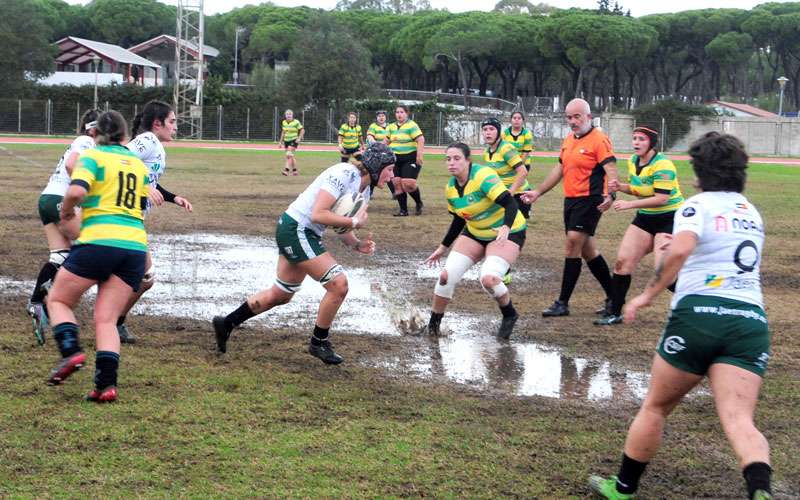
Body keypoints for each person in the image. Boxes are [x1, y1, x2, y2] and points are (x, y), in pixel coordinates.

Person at [589, 132, 773, 500]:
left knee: (656, 407)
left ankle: (623, 488)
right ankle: (760, 491)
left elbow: (680, 252)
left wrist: (645, 296)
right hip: (749, 322)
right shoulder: (751, 212)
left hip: (699, 317)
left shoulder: (695, 206)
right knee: (739, 419)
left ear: (699, 170)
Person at [212, 142, 397, 364]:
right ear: (377, 167)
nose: (392, 175)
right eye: (390, 169)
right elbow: (319, 214)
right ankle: (318, 342)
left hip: (301, 231)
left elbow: (341, 228)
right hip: (296, 229)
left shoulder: (366, 190)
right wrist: (355, 221)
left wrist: (356, 243)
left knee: (280, 294)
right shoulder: (344, 173)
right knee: (339, 284)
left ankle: (227, 323)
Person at [44, 110, 150, 403]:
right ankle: (106, 386)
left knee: (59, 300)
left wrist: (65, 212)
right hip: (134, 247)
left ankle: (71, 352)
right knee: (106, 318)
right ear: (126, 135)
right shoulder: (137, 165)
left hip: (99, 241)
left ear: (95, 135)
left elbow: (77, 192)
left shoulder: (94, 156)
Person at [521, 98, 617, 317]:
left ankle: (562, 302)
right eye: (569, 117)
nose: (573, 121)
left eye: (577, 117)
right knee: (588, 250)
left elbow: (611, 168)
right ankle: (615, 296)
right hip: (571, 200)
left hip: (590, 199)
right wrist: (538, 192)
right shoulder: (569, 139)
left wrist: (611, 194)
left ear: (589, 117)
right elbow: (560, 169)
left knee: (572, 243)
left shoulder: (599, 140)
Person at [423, 142, 527, 340]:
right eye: (448, 159)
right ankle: (433, 327)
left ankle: (510, 314)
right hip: (475, 233)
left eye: (457, 158)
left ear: (467, 160)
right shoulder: (451, 189)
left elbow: (510, 203)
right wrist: (442, 248)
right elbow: (458, 220)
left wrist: (505, 228)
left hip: (507, 231)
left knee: (489, 279)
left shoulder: (482, 176)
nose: (451, 163)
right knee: (446, 276)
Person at [115, 100, 193, 344]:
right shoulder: (147, 140)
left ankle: (113, 321)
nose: (176, 127)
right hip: (124, 218)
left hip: (133, 220)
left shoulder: (155, 145)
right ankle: (112, 322)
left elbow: (149, 180)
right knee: (143, 277)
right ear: (157, 123)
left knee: (141, 278)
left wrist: (173, 197)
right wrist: (144, 185)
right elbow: (120, 159)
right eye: (172, 121)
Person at [594, 126, 684, 325]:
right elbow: (641, 189)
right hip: (645, 219)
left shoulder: (664, 165)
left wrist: (629, 204)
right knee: (622, 262)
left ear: (651, 143)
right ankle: (615, 312)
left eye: (641, 139)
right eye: (634, 138)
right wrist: (622, 187)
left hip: (669, 218)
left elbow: (661, 198)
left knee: (665, 274)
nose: (636, 142)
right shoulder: (633, 161)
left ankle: (696, 304)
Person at [26, 109, 99, 345]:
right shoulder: (87, 140)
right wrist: (86, 192)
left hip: (47, 199)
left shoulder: (85, 142)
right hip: (58, 199)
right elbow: (71, 165)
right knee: (93, 244)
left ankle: (37, 302)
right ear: (93, 129)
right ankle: (62, 299)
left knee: (60, 255)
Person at [481, 117, 531, 219]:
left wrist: (510, 193)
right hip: (503, 195)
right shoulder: (486, 152)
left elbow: (523, 172)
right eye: (485, 129)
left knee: (514, 231)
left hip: (518, 195)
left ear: (498, 132)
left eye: (491, 129)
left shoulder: (506, 148)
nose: (488, 132)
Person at [386, 105, 425, 216]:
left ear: (407, 113)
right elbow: (386, 141)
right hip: (394, 159)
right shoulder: (391, 127)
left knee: (408, 184)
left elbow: (421, 139)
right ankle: (403, 211)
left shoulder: (412, 125)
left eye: (402, 112)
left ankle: (418, 203)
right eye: (397, 112)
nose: (399, 114)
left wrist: (419, 155)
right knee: (397, 184)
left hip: (410, 158)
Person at [501, 111, 535, 175]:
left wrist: (518, 165)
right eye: (514, 118)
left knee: (520, 183)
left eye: (519, 118)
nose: (516, 120)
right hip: (508, 163)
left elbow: (526, 152)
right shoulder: (504, 133)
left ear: (523, 121)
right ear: (511, 120)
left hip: (523, 164)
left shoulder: (527, 134)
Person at [279, 109, 304, 176]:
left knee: (288, 154)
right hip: (286, 141)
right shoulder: (284, 122)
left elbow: (302, 130)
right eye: (287, 114)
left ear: (292, 115)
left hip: (294, 140)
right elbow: (283, 132)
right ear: (285, 115)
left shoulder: (296, 122)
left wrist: (299, 138)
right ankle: (295, 170)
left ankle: (286, 170)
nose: (288, 115)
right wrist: (280, 142)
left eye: (290, 114)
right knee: (290, 156)